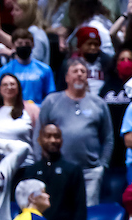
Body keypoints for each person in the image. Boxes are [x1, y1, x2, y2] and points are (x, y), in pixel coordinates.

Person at [37, 58, 114, 206]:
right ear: (66, 77)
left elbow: (108, 138)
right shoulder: (52, 101)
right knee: (61, 212)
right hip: (58, 169)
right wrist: (42, 165)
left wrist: (102, 166)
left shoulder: (99, 103)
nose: (79, 74)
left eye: (83, 71)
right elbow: (38, 136)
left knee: (88, 216)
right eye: (75, 71)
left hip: (90, 172)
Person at [13, 124, 87, 220]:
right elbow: (23, 208)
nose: (53, 140)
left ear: (62, 140)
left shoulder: (73, 170)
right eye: (48, 136)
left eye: (57, 136)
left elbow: (80, 208)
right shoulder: (30, 171)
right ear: (39, 140)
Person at [0, 29, 56, 104]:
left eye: (27, 43)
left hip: (37, 111)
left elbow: (50, 95)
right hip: (13, 111)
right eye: (20, 43)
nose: (23, 46)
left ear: (33, 45)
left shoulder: (44, 69)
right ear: (13, 45)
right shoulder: (5, 70)